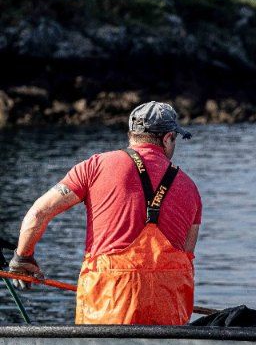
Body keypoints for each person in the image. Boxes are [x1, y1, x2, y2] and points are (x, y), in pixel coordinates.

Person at [7, 102, 202, 325]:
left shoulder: (95, 167)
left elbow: (39, 213)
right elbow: (187, 256)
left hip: (106, 308)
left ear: (131, 135)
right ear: (167, 138)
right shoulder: (191, 188)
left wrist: (22, 259)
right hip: (168, 312)